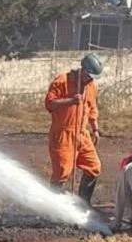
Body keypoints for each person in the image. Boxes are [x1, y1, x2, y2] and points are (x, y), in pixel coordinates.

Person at [44, 53, 103, 205]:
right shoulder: (62, 81)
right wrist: (71, 101)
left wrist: (95, 128)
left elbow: (92, 107)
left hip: (82, 133)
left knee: (94, 167)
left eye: (92, 78)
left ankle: (83, 204)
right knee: (63, 171)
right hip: (63, 133)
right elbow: (50, 104)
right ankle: (54, 207)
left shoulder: (90, 86)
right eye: (89, 76)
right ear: (82, 70)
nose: (90, 80)